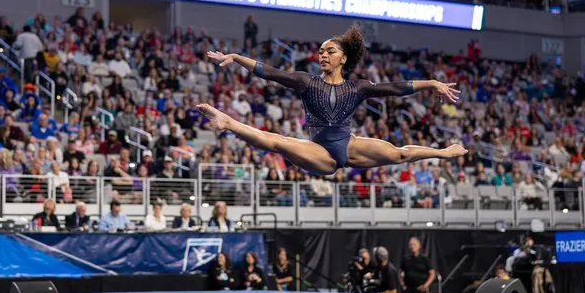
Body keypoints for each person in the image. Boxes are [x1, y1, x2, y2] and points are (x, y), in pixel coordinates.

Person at [198, 25, 466, 176]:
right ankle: (227, 121)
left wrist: (432, 83)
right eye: (321, 52)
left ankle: (443, 152)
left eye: (330, 51)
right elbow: (271, 73)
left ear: (343, 58)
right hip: (321, 152)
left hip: (349, 145)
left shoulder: (357, 87)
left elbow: (394, 88)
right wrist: (235, 58)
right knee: (278, 142)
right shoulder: (307, 82)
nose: (323, 55)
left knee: (400, 154)